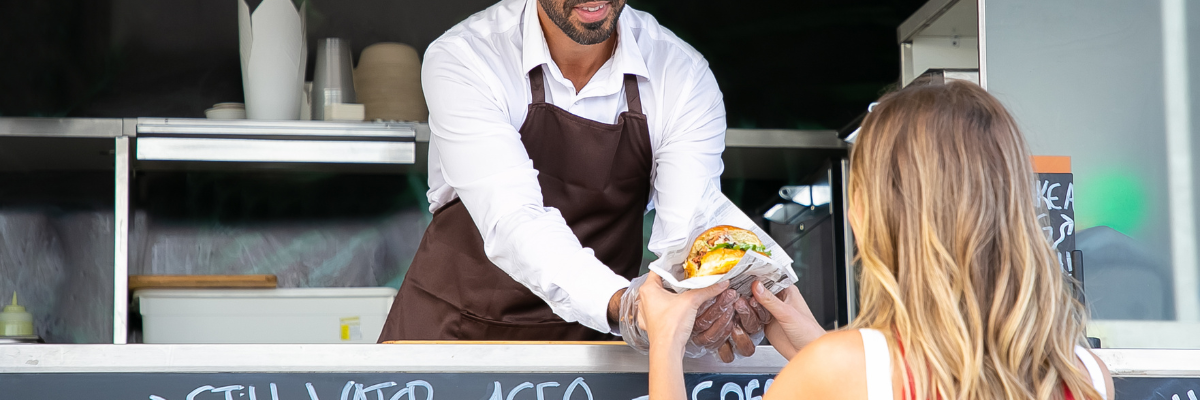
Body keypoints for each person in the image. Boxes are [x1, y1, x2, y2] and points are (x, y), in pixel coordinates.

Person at [639, 79, 1116, 399]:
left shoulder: (834, 373)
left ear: (867, 212)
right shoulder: (1086, 375)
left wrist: (664, 341)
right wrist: (818, 345)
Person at [378, 0, 761, 354]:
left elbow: (688, 236)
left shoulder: (681, 75)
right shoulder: (468, 56)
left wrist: (708, 303)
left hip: (594, 350)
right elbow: (513, 218)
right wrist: (623, 305)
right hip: (450, 338)